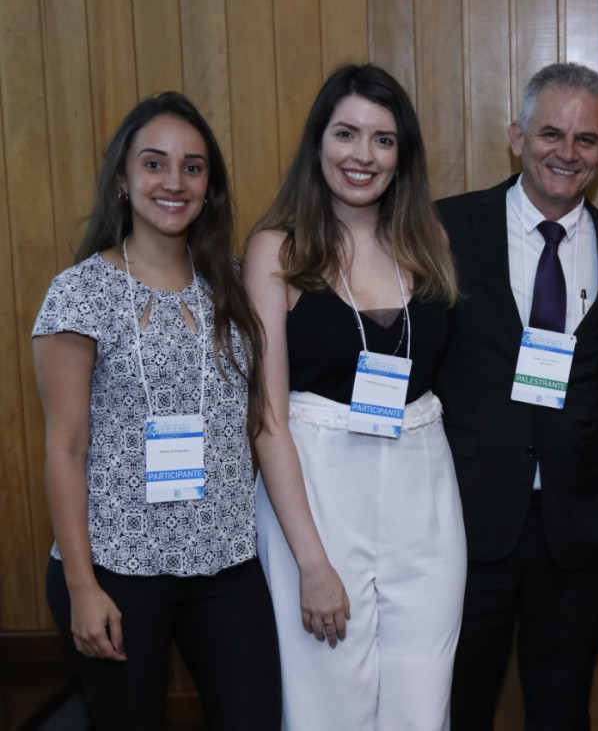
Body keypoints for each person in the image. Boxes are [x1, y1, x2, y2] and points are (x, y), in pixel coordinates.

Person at [32, 92, 281, 728]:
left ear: (209, 187)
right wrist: (83, 588)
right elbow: (64, 449)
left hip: (225, 561)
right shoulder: (81, 293)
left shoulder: (233, 286)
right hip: (116, 568)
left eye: (192, 167)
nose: (174, 182)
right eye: (154, 163)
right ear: (122, 179)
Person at [244, 64, 464, 730]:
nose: (362, 155)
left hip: (424, 496)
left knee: (421, 706)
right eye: (346, 134)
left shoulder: (428, 242)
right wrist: (312, 562)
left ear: (402, 156)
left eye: (382, 139)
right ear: (318, 142)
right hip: (317, 496)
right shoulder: (277, 250)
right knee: (326, 705)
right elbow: (267, 418)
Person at [434, 62, 598, 730]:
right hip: (467, 521)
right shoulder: (446, 228)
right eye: (552, 133)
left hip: (576, 528)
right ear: (517, 136)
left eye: (587, 139)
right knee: (458, 706)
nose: (567, 152)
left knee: (562, 711)